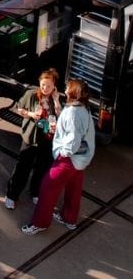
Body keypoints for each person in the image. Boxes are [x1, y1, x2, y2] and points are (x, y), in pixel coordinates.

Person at [23, 79, 95, 234]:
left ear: (73, 92)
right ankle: (69, 218)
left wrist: (63, 152)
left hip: (68, 159)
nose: (66, 88)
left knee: (47, 187)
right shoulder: (84, 108)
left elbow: (73, 139)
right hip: (81, 159)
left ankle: (40, 223)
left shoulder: (73, 113)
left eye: (68, 87)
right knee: (74, 189)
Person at [5, 68, 63, 210]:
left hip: (47, 138)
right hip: (31, 137)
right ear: (39, 83)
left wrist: (56, 100)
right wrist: (31, 114)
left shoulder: (55, 98)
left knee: (42, 168)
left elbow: (60, 115)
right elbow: (19, 108)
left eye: (49, 86)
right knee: (23, 167)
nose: (45, 88)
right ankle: (12, 195)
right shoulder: (31, 94)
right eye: (43, 85)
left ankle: (35, 191)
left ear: (54, 86)